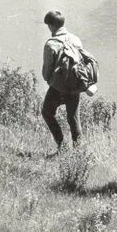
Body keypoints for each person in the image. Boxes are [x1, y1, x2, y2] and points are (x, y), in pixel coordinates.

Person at [40, 10, 85, 150]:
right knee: (73, 118)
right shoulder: (76, 39)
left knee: (47, 112)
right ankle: (79, 153)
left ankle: (62, 145)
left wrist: (50, 81)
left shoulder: (50, 44)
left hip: (58, 87)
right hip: (76, 85)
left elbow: (46, 72)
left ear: (51, 26)